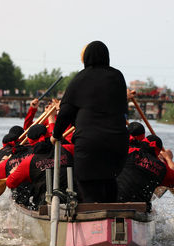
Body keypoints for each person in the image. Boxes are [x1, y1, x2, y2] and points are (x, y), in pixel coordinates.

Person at [51, 40, 129, 203]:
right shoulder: (117, 76)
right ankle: (112, 216)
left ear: (86, 58)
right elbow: (122, 110)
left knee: (88, 185)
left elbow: (65, 112)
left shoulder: (80, 79)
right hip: (117, 143)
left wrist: (56, 134)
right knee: (109, 179)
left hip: (89, 144)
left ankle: (94, 221)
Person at [6, 124, 75, 209]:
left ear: (31, 142)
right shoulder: (69, 149)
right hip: (73, 196)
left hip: (45, 204)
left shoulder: (28, 162)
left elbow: (10, 183)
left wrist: (12, 173)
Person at [116, 134, 174, 211]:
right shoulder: (162, 168)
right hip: (140, 208)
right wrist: (168, 158)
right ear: (157, 153)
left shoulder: (130, 151)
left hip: (116, 200)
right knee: (154, 211)